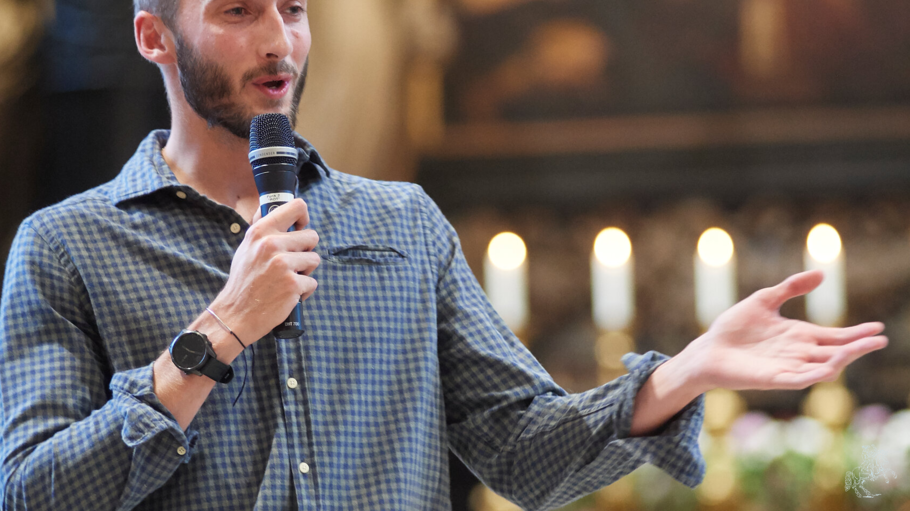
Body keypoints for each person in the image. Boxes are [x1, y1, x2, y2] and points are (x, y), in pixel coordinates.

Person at [0, 1, 888, 510]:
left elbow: (521, 449)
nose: (281, 40)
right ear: (156, 37)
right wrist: (219, 333)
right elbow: (34, 494)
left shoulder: (403, 224)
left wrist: (683, 373)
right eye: (239, 10)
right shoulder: (65, 247)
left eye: (296, 8)